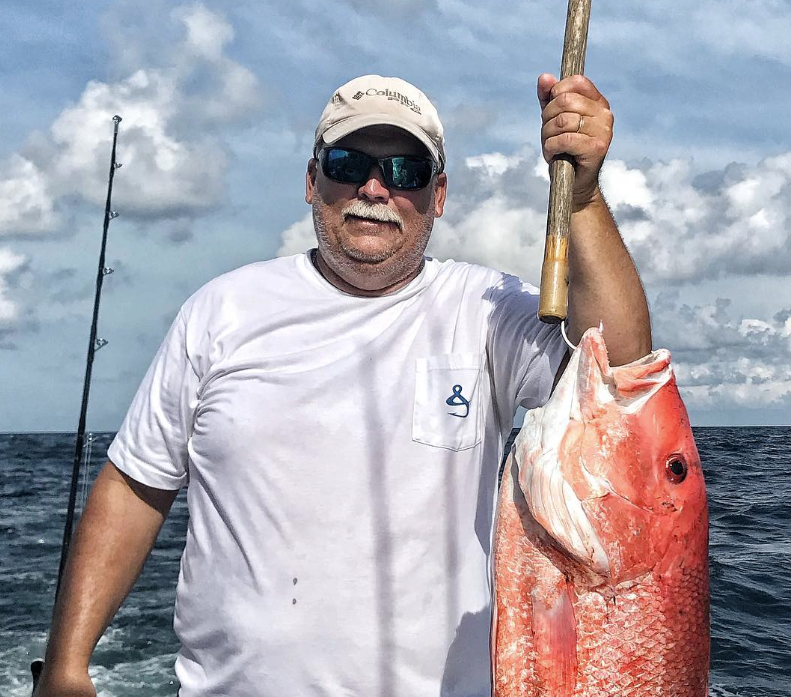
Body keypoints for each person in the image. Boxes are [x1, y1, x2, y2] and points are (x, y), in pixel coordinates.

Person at [35, 74, 650, 697]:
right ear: (312, 182)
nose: (375, 188)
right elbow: (135, 486)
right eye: (348, 163)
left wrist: (583, 196)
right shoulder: (219, 312)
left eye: (406, 171)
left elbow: (619, 369)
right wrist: (65, 665)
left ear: (438, 196)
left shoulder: (488, 310)